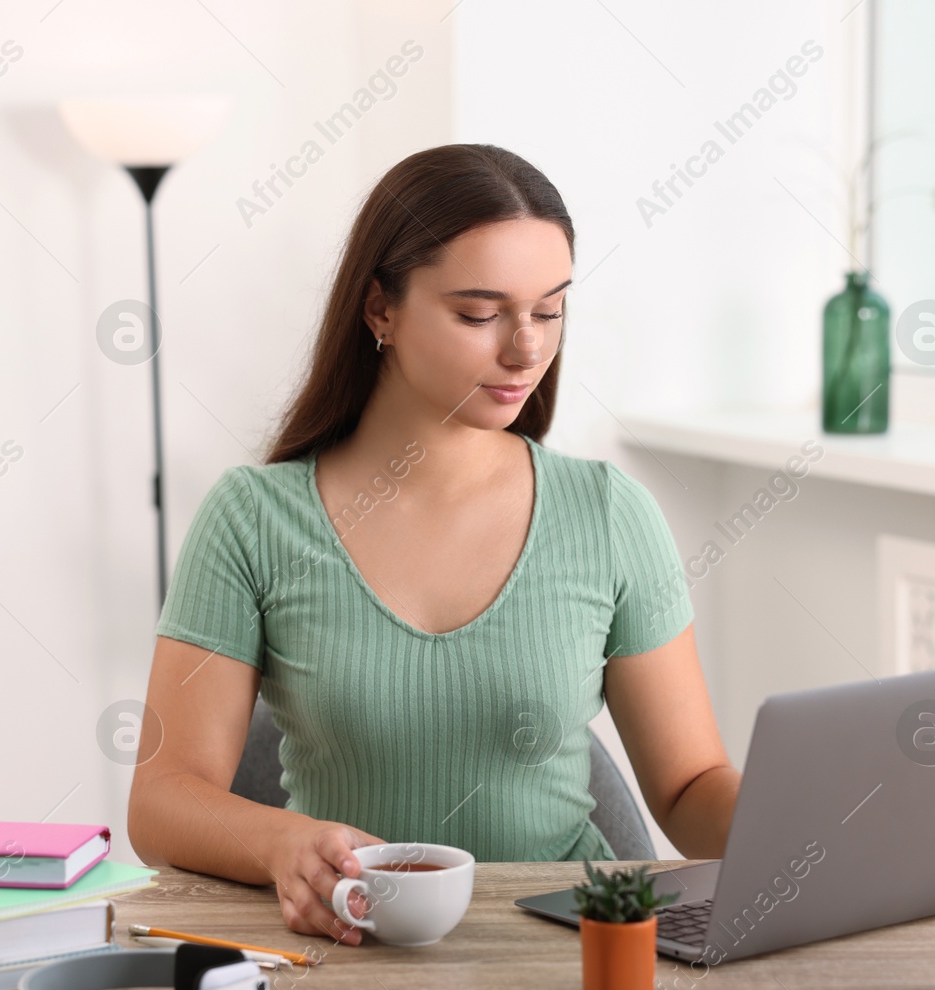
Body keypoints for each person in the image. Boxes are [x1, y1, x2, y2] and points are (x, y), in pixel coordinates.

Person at [128, 144, 739, 946]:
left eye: (549, 310)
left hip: (561, 957)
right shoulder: (253, 521)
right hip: (344, 945)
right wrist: (282, 843)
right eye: (480, 315)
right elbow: (163, 799)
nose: (525, 349)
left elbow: (690, 784)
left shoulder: (608, 514)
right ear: (380, 309)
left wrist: (804, 822)